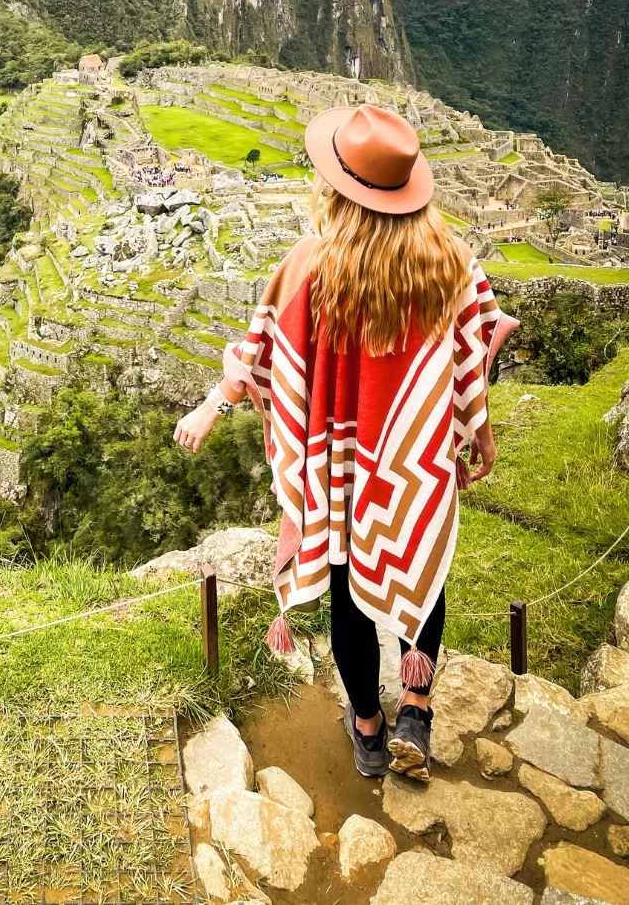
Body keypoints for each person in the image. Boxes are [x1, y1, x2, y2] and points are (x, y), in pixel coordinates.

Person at [173, 104, 516, 782]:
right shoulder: (449, 260)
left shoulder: (310, 266)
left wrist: (215, 404)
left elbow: (261, 348)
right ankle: (416, 703)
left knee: (344, 589)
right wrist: (477, 427)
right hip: (414, 465)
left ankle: (368, 730)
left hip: (337, 466)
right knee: (419, 565)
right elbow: (474, 342)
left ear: (337, 188)